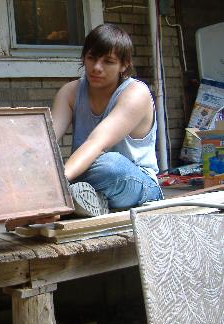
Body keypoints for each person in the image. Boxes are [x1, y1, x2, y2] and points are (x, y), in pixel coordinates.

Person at [51, 23, 163, 217]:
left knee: (109, 165)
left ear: (124, 64)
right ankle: (87, 200)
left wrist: (54, 187)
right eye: (91, 58)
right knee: (41, 166)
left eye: (108, 62)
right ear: (83, 57)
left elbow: (96, 143)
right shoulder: (70, 92)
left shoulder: (136, 93)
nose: (96, 68)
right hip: (86, 180)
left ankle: (70, 197)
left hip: (134, 183)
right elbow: (46, 142)